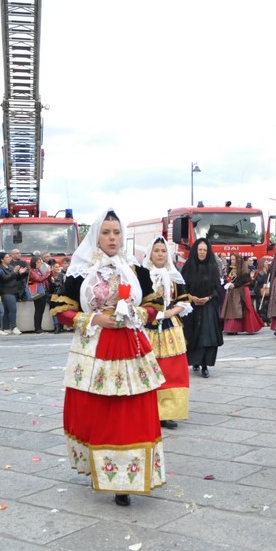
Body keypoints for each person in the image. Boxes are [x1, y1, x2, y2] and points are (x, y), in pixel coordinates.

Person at [50, 210, 166, 506]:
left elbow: (155, 304)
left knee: (131, 410)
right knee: (97, 410)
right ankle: (98, 466)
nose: (112, 238)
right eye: (106, 232)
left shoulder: (136, 269)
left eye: (116, 232)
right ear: (96, 236)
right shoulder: (79, 272)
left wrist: (138, 313)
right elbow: (61, 311)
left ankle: (127, 477)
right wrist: (95, 319)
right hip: (93, 348)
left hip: (131, 346)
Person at [142, 237, 192, 430]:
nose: (160, 254)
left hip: (169, 325)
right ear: (150, 253)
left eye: (163, 250)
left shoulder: (174, 275)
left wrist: (169, 312)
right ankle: (148, 410)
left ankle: (168, 412)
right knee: (148, 367)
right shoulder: (142, 276)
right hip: (147, 325)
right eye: (156, 251)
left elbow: (184, 301)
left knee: (172, 369)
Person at [180, 238, 223, 378]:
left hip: (208, 305)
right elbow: (182, 286)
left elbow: (218, 288)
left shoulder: (213, 267)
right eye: (200, 250)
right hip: (192, 305)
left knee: (207, 336)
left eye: (205, 250)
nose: (202, 252)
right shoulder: (188, 267)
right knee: (193, 335)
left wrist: (209, 298)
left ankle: (204, 365)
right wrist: (191, 297)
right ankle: (195, 361)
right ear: (195, 251)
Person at [220, 252, 263, 335]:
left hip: (240, 291)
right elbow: (229, 278)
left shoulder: (244, 269)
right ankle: (230, 328)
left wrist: (235, 284)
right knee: (230, 309)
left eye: (234, 259)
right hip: (231, 292)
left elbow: (246, 281)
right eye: (231, 259)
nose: (232, 261)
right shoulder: (231, 268)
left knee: (238, 309)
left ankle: (237, 327)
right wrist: (227, 283)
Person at [0, 251, 21, 334]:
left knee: (7, 310)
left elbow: (15, 277)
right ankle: (14, 327)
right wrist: (14, 272)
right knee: (12, 309)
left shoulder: (10, 266)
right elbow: (4, 279)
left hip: (13, 290)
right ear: (2, 259)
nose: (9, 258)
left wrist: (19, 273)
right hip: (6, 290)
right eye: (7, 257)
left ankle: (6, 328)